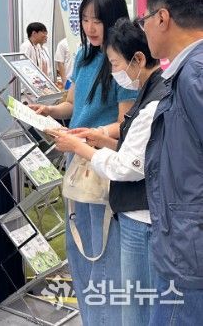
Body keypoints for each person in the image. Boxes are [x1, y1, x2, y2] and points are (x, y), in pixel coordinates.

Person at [46, 18, 164, 326]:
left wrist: (81, 146)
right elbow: (134, 149)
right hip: (136, 208)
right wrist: (100, 139)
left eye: (115, 64)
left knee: (135, 306)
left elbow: (128, 165)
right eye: (84, 19)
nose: (113, 72)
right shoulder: (150, 90)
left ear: (138, 59)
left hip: (141, 214)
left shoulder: (153, 100)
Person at [30, 0, 136, 326]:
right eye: (85, 19)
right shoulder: (83, 57)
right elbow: (72, 105)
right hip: (76, 159)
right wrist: (48, 111)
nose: (90, 27)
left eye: (98, 20)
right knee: (78, 249)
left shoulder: (121, 62)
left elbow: (125, 124)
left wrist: (92, 135)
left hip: (100, 164)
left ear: (114, 20)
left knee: (101, 251)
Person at [140, 0, 203, 324]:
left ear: (162, 18)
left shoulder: (195, 73)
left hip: (190, 255)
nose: (145, 28)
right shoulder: (187, 73)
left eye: (145, 19)